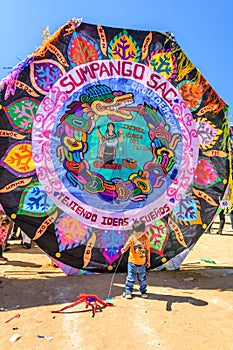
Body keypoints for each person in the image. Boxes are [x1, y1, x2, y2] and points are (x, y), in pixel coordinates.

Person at [121, 220, 150, 299]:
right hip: (132, 263)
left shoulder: (146, 240)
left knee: (142, 279)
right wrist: (124, 249)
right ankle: (128, 291)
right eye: (136, 233)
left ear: (143, 232)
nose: (137, 235)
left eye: (140, 234)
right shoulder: (132, 238)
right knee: (130, 278)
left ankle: (143, 291)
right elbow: (127, 245)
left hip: (142, 264)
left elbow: (147, 250)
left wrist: (148, 261)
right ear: (133, 231)